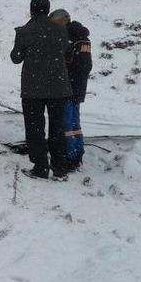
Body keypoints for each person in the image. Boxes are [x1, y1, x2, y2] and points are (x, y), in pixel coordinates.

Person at [10, 0, 73, 180]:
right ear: (48, 10)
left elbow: (16, 58)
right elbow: (65, 51)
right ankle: (60, 168)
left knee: (35, 129)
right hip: (58, 88)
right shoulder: (61, 30)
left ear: (31, 10)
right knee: (57, 128)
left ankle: (40, 167)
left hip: (33, 89)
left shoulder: (25, 31)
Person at [50, 9, 92, 170]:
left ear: (62, 21)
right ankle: (77, 153)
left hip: (68, 88)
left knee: (67, 124)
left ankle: (70, 156)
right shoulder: (82, 38)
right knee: (75, 124)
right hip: (77, 87)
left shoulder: (71, 39)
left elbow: (69, 64)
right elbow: (85, 66)